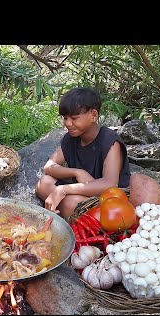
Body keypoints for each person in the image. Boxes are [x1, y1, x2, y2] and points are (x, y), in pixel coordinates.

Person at [35, 87, 131, 219]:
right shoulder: (71, 139)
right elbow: (49, 167)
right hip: (83, 192)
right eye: (65, 118)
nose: (68, 123)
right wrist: (77, 172)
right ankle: (70, 213)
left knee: (70, 203)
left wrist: (63, 189)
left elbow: (110, 184)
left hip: (109, 200)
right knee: (44, 183)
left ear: (93, 115)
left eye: (74, 118)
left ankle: (70, 215)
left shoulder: (109, 141)